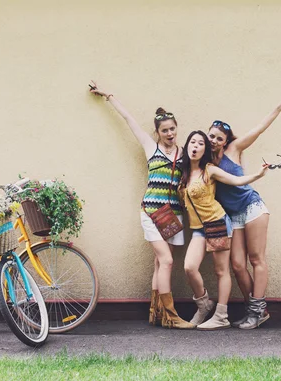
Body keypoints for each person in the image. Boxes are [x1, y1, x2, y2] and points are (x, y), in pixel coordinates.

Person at [90, 81, 194, 329]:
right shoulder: (151, 147)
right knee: (167, 261)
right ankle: (171, 316)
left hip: (173, 215)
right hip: (152, 212)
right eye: (165, 130)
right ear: (157, 132)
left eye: (172, 129)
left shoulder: (183, 153)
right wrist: (109, 96)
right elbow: (128, 119)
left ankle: (156, 312)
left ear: (177, 129)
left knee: (160, 263)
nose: (169, 133)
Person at [208, 95, 281, 329]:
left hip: (252, 207)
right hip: (234, 216)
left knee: (256, 259)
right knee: (237, 265)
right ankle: (255, 310)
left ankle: (256, 312)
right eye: (211, 136)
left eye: (218, 138)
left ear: (225, 141)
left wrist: (277, 109)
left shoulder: (233, 149)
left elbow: (258, 130)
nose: (213, 140)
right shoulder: (205, 159)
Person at [179, 130, 268, 330]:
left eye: (200, 143)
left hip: (217, 223)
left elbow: (236, 180)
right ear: (187, 146)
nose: (195, 146)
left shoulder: (209, 170)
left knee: (222, 271)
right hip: (199, 229)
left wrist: (258, 174)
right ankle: (203, 305)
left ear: (205, 150)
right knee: (189, 267)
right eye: (192, 142)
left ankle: (221, 315)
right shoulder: (183, 173)